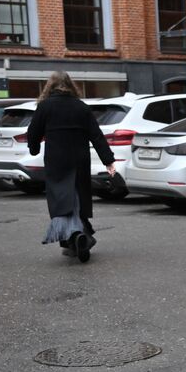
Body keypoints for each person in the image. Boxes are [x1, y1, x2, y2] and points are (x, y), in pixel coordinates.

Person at [26, 72, 116, 262]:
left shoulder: (45, 106)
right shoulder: (81, 107)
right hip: (79, 159)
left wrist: (34, 149)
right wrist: (108, 160)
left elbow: (33, 132)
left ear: (50, 86)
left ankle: (75, 235)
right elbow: (96, 135)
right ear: (71, 86)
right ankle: (77, 238)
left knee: (61, 200)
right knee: (77, 197)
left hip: (57, 160)